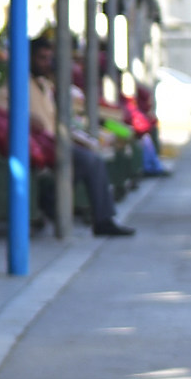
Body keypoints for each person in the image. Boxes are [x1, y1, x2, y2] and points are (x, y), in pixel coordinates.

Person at [30, 40, 134, 235]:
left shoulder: (44, 85)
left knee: (92, 157)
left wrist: (81, 139)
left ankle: (96, 215)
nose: (46, 63)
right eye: (41, 58)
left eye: (48, 58)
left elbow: (56, 121)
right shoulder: (17, 87)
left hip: (53, 140)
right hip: (37, 143)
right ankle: (57, 200)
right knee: (88, 160)